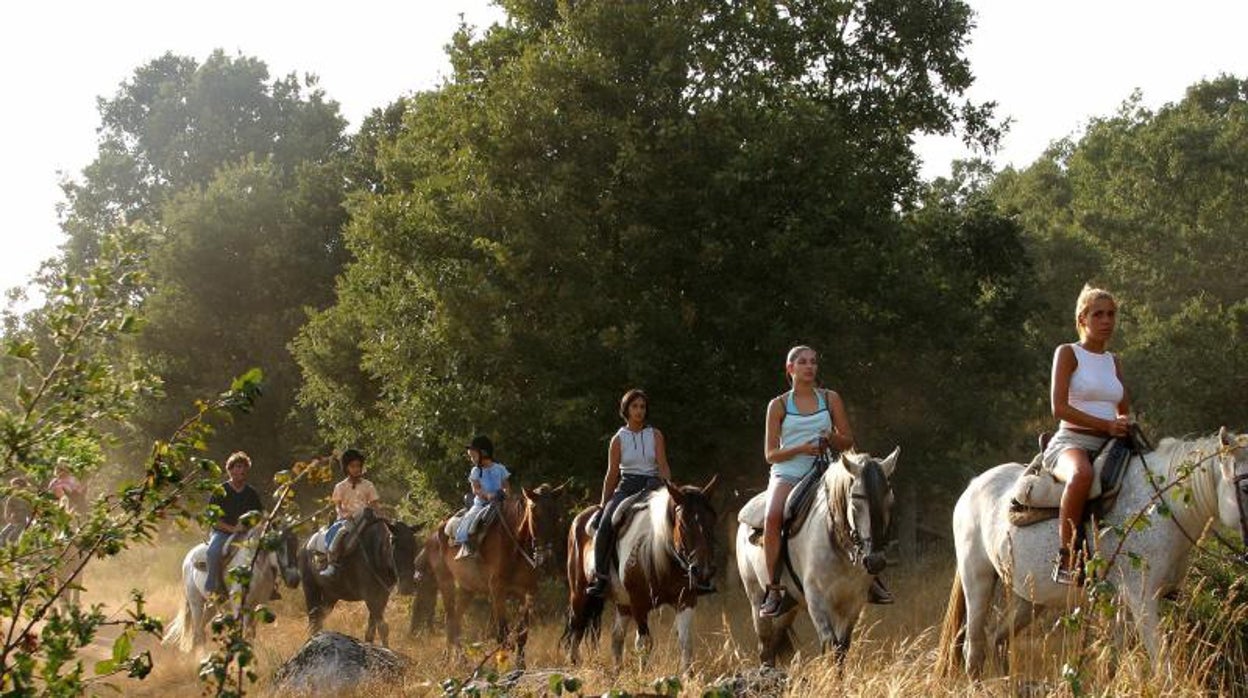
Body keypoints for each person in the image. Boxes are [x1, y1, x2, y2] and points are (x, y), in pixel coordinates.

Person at [758, 345, 887, 617]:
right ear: (790, 369)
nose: (810, 367)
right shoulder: (778, 405)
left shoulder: (830, 398)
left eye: (814, 362)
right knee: (772, 518)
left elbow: (848, 441)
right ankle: (773, 588)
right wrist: (801, 449)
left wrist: (831, 437)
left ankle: (870, 578)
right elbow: (770, 454)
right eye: (803, 362)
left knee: (861, 508)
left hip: (827, 472)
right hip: (788, 473)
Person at [1042, 285, 1130, 585]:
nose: (1106, 320)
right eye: (1098, 314)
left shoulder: (1113, 361)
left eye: (1111, 314)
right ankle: (1066, 557)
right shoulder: (1068, 353)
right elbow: (1059, 407)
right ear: (1082, 319)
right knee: (1081, 475)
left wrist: (1122, 424)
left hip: (1111, 445)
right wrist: (1106, 426)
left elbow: (1122, 407)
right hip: (1072, 442)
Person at [586, 388, 673, 597]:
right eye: (635, 407)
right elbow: (611, 474)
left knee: (678, 518)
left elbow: (663, 465)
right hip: (627, 486)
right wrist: (602, 503)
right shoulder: (618, 439)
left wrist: (671, 491)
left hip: (653, 485)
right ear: (626, 409)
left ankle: (688, 573)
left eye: (642, 407)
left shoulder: (655, 435)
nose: (639, 411)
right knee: (606, 523)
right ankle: (601, 578)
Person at [205, 451, 265, 599]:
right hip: (222, 533)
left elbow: (259, 516)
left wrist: (254, 527)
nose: (241, 470)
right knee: (212, 551)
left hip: (247, 534)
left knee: (267, 552)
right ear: (230, 469)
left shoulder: (251, 493)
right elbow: (212, 519)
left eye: (244, 467)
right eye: (238, 467)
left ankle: (269, 587)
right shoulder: (220, 491)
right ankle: (213, 587)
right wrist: (232, 529)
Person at [320, 448, 380, 578]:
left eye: (358, 466)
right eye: (353, 466)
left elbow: (375, 504)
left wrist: (380, 517)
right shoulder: (340, 487)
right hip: (347, 519)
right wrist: (343, 514)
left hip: (366, 518)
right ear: (346, 468)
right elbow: (338, 506)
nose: (356, 469)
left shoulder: (368, 485)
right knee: (339, 532)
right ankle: (331, 563)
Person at [454, 435, 510, 560]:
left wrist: (504, 493)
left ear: (483, 453)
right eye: (471, 457)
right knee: (469, 518)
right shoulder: (475, 471)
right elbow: (476, 489)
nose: (472, 459)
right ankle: (466, 545)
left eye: (473, 456)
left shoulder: (500, 469)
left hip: (500, 501)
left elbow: (506, 486)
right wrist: (487, 495)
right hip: (481, 503)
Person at [1, 477, 32, 544]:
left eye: (13, 485)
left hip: (22, 520)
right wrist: (7, 516)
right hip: (14, 519)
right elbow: (7, 507)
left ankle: (13, 550)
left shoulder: (26, 496)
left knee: (13, 537)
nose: (12, 487)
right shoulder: (12, 497)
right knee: (3, 534)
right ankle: (3, 550)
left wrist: (30, 519)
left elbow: (29, 509)